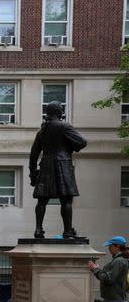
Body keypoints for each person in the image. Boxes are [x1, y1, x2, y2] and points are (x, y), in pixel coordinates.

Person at [28, 100, 88, 239]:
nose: (62, 111)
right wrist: (70, 146)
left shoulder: (42, 131)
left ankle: (38, 229)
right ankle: (67, 231)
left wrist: (33, 173)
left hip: (46, 165)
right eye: (61, 109)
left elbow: (33, 154)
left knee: (42, 200)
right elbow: (82, 142)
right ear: (57, 111)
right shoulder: (64, 126)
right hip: (63, 165)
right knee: (66, 199)